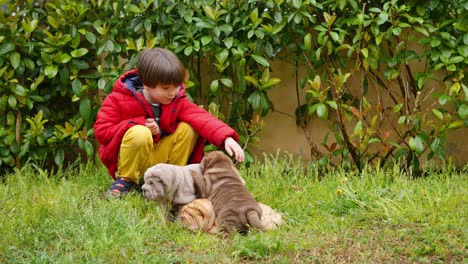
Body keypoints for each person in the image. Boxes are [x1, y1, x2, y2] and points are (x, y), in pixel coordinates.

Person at [94, 47, 244, 198]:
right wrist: (138, 124)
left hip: (160, 160)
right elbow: (102, 132)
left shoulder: (176, 100)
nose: (172, 93)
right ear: (146, 84)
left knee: (189, 128)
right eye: (165, 88)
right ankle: (126, 181)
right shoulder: (118, 99)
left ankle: (173, 179)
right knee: (140, 132)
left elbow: (202, 118)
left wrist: (226, 138)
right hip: (135, 162)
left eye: (176, 86)